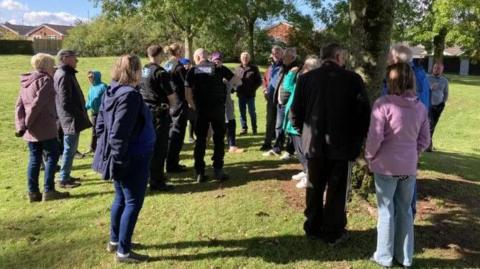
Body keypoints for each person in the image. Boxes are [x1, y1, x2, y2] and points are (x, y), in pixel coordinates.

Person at [290, 43, 371, 244]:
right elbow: (364, 115)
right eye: (343, 56)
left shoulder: (306, 78)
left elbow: (294, 113)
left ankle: (313, 226)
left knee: (315, 186)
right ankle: (332, 230)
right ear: (338, 56)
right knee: (335, 190)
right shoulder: (352, 79)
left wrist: (304, 134)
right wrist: (358, 140)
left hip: (315, 144)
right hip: (341, 145)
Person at [366, 62, 430, 268]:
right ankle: (404, 257)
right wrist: (415, 152)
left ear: (391, 81)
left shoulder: (382, 104)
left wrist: (369, 156)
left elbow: (374, 138)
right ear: (411, 80)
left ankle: (384, 257)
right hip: (407, 168)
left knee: (386, 211)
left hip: (385, 167)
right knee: (404, 210)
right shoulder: (420, 108)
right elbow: (425, 140)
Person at [93, 54, 155, 263]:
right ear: (134, 71)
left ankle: (115, 241)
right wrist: (119, 159)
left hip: (126, 154)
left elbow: (102, 126)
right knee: (132, 202)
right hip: (132, 156)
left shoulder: (111, 89)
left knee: (121, 198)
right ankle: (123, 251)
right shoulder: (129, 95)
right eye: (139, 70)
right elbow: (116, 132)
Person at [15, 53, 70, 202]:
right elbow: (37, 104)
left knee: (34, 159)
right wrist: (26, 122)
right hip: (44, 126)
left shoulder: (25, 81)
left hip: (31, 129)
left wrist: (21, 125)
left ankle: (33, 193)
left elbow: (19, 106)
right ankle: (49, 190)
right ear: (46, 66)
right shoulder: (46, 80)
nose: (54, 68)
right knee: (52, 156)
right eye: (51, 65)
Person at [185, 48, 235, 183]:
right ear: (207, 56)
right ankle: (218, 170)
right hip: (217, 109)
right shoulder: (219, 67)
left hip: (201, 110)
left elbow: (187, 94)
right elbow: (235, 79)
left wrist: (195, 108)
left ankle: (200, 172)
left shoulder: (192, 71)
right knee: (219, 139)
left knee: (200, 140)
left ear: (197, 57)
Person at [140, 45, 177, 191]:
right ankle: (157, 181)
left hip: (145, 112)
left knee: (149, 145)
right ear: (160, 54)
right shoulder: (161, 72)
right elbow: (171, 96)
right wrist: (172, 106)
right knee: (160, 147)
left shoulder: (144, 69)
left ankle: (151, 175)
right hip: (159, 113)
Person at [54, 49, 92, 188]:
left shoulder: (65, 73)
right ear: (65, 58)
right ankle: (63, 179)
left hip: (69, 118)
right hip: (70, 119)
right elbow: (65, 102)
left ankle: (66, 175)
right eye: (74, 57)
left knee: (70, 148)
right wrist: (78, 114)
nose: (77, 60)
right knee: (69, 149)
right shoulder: (64, 75)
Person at [282, 55, 321, 189]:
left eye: (306, 66)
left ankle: (309, 175)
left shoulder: (313, 84)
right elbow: (287, 86)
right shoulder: (301, 80)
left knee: (305, 154)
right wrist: (292, 73)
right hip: (293, 123)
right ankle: (305, 171)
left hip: (301, 125)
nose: (303, 68)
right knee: (299, 152)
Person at [263, 47, 301, 159]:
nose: (283, 58)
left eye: (285, 56)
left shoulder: (296, 70)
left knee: (290, 128)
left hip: (290, 104)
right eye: (283, 56)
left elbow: (294, 88)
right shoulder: (283, 68)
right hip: (280, 102)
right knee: (279, 126)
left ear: (292, 57)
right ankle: (277, 148)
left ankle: (289, 151)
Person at [211, 51, 244, 154]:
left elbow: (238, 83)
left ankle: (231, 145)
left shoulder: (223, 70)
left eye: (219, 60)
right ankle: (227, 145)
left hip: (225, 101)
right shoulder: (208, 69)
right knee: (222, 123)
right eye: (216, 60)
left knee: (230, 122)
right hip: (216, 102)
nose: (217, 62)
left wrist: (233, 80)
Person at [164, 43, 189, 173]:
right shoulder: (178, 67)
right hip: (179, 102)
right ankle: (172, 164)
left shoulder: (166, 65)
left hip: (169, 102)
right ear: (178, 52)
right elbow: (186, 85)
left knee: (171, 132)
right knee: (177, 133)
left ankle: (170, 162)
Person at [260, 46, 284, 151]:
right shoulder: (270, 68)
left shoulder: (284, 67)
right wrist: (265, 89)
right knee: (270, 121)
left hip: (280, 99)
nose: (275, 54)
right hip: (270, 99)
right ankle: (267, 143)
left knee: (279, 123)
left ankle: (279, 145)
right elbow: (265, 80)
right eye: (274, 53)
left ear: (282, 54)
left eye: (278, 52)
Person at [234, 51, 262, 136]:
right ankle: (244, 128)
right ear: (241, 59)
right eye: (243, 58)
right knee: (242, 113)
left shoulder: (254, 68)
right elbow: (234, 81)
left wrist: (253, 89)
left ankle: (254, 129)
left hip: (250, 95)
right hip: (241, 94)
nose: (245, 59)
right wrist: (235, 88)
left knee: (252, 112)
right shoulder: (237, 68)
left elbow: (259, 81)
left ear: (249, 59)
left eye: (246, 58)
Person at [427, 62, 449, 152]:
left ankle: (428, 144)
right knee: (430, 124)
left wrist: (443, 103)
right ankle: (428, 145)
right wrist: (430, 88)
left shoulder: (444, 81)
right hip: (428, 106)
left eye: (439, 68)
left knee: (433, 125)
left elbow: (446, 93)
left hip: (438, 106)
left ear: (442, 70)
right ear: (433, 68)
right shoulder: (427, 78)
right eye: (435, 68)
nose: (436, 70)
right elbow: (421, 91)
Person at [85, 70, 107, 153]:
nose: (89, 79)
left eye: (91, 77)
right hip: (93, 113)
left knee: (102, 129)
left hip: (102, 113)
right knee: (94, 130)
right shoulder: (91, 87)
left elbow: (107, 99)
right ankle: (93, 147)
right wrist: (85, 108)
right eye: (88, 77)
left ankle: (103, 146)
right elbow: (89, 99)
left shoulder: (103, 86)